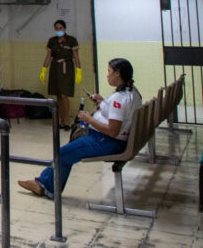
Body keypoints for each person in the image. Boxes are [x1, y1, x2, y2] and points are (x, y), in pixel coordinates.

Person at [19, 58, 141, 199]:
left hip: (106, 141)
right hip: (114, 140)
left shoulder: (119, 99)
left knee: (63, 153)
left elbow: (112, 131)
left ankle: (46, 187)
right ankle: (43, 183)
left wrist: (89, 119)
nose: (107, 75)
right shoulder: (133, 93)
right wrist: (102, 103)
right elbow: (119, 116)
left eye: (109, 72)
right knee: (68, 150)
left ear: (118, 74)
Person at [40, 20, 81, 129]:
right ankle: (60, 122)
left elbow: (76, 56)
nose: (58, 30)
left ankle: (67, 121)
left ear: (64, 28)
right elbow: (48, 56)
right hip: (55, 68)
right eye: (56, 28)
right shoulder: (52, 41)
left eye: (60, 28)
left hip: (66, 68)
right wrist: (44, 69)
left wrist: (79, 71)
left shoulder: (71, 40)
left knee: (64, 95)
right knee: (58, 95)